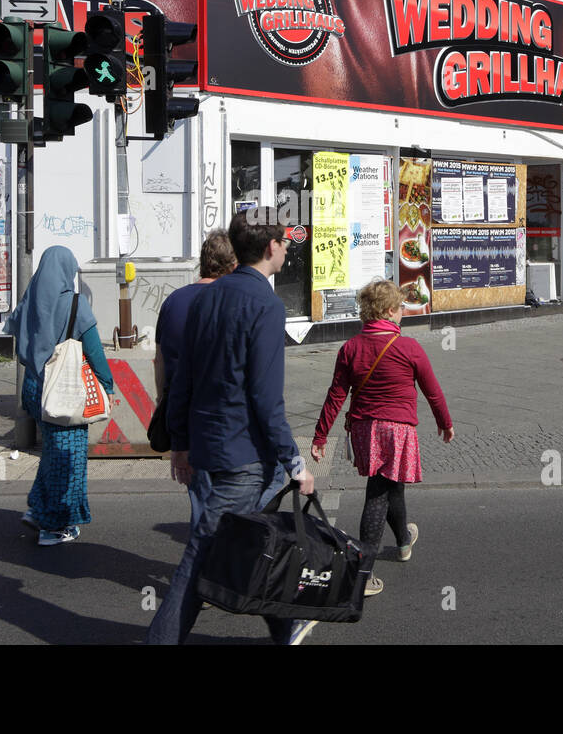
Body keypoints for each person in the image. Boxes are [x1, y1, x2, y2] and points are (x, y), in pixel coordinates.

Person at [146, 208, 317, 645]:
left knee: (253, 540)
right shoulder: (265, 305)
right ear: (269, 248)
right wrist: (295, 464)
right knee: (202, 554)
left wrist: (181, 443)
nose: (286, 247)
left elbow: (181, 378)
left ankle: (285, 625)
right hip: (243, 453)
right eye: (283, 240)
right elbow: (265, 397)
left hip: (206, 445)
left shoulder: (205, 297)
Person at [311, 278, 454, 597]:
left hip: (364, 430)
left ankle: (404, 540)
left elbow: (336, 395)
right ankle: (362, 575)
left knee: (390, 485)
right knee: (378, 493)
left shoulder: (350, 348)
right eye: (401, 306)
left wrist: (321, 435)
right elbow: (432, 391)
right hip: (398, 430)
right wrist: (445, 422)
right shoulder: (409, 347)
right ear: (389, 311)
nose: (404, 311)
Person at [3, 246, 120, 546]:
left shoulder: (29, 301)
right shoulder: (75, 305)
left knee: (53, 453)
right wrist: (107, 385)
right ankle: (54, 526)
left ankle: (37, 509)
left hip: (33, 388)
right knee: (69, 458)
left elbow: (16, 337)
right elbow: (94, 351)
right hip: (63, 390)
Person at [153, 230, 238, 532]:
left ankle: (201, 567)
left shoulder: (174, 302)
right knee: (236, 505)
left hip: (185, 418)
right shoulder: (234, 301)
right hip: (227, 418)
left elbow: (160, 360)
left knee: (201, 503)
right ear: (233, 265)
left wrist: (164, 404)